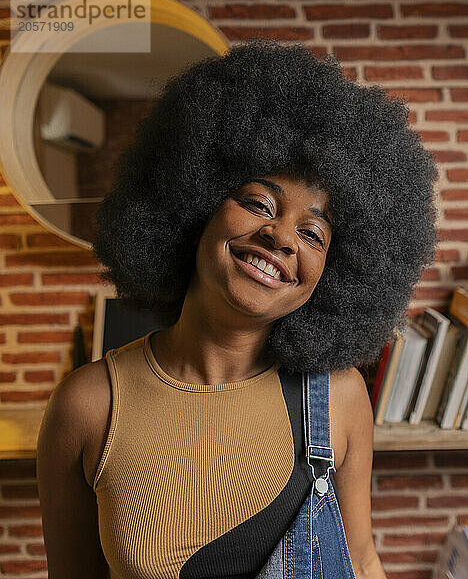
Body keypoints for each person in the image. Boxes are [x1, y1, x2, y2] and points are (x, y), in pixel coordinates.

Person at [37, 38, 438, 579]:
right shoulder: (87, 406)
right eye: (257, 203)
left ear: (337, 273)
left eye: (313, 233)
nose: (279, 237)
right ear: (193, 205)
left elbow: (361, 560)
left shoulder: (338, 398)